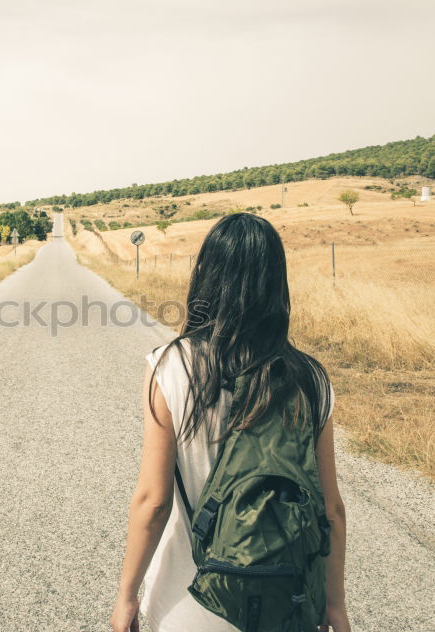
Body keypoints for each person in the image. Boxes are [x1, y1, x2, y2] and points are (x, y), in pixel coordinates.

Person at [110, 213, 350, 632]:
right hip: (286, 603)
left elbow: (154, 501)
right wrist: (335, 605)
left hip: (189, 601)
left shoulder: (171, 365)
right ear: (278, 282)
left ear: (206, 275)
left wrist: (126, 595)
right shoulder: (310, 379)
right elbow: (330, 510)